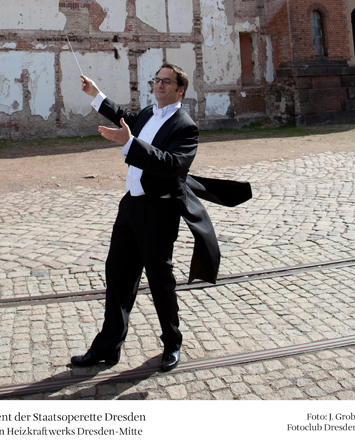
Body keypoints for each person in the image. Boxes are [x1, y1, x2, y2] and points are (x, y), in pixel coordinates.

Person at [70, 63, 252, 373]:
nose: (159, 85)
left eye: (166, 82)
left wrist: (129, 143)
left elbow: (170, 165)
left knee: (159, 280)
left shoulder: (186, 127)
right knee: (117, 276)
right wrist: (95, 93)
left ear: (180, 89)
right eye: (157, 80)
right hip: (131, 207)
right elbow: (121, 115)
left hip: (159, 210)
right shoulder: (146, 115)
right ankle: (107, 347)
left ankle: (172, 343)